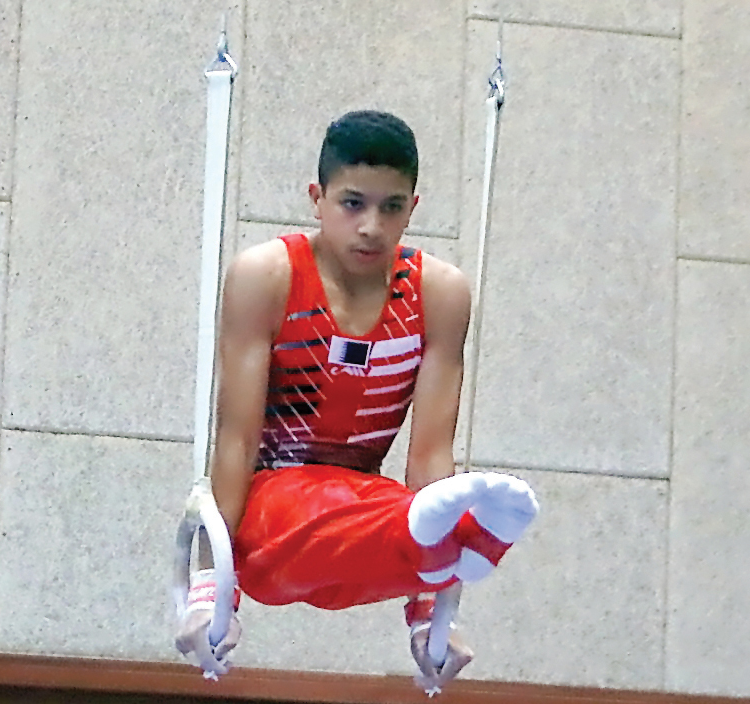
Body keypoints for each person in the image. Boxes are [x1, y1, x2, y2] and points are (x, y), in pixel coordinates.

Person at [175, 110, 538, 691]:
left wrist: (432, 615)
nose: (371, 225)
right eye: (352, 203)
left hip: (366, 515)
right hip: (273, 516)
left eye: (392, 207)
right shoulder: (267, 277)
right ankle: (456, 540)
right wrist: (212, 587)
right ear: (317, 199)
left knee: (404, 511)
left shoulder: (438, 294)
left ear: (413, 209)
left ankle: (442, 547)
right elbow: (237, 440)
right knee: (351, 514)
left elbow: (430, 458)